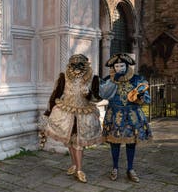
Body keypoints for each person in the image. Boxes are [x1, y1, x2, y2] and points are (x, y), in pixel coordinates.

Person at [42, 54, 102, 183]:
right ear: (70, 65)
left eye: (80, 65)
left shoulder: (93, 78)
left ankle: (79, 170)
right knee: (70, 141)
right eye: (73, 65)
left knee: (79, 142)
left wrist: (89, 94)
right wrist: (49, 111)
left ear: (86, 66)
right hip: (66, 113)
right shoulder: (64, 77)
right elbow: (56, 94)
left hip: (84, 116)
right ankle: (74, 165)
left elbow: (98, 97)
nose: (76, 68)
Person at [99, 53, 152, 183]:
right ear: (113, 67)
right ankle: (115, 168)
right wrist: (113, 81)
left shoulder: (137, 79)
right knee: (114, 143)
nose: (120, 68)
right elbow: (103, 94)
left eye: (122, 65)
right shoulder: (108, 79)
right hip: (114, 115)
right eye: (117, 66)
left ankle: (130, 169)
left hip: (132, 115)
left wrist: (140, 97)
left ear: (127, 66)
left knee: (131, 142)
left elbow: (148, 98)